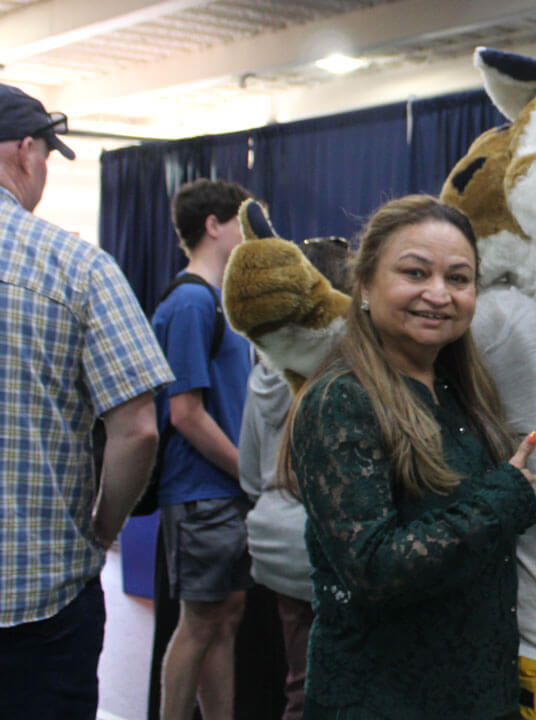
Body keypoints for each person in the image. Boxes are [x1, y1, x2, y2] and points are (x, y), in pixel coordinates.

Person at [281, 194, 536, 719]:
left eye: (459, 279)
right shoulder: (342, 398)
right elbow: (375, 568)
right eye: (415, 272)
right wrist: (504, 501)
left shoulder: (460, 390)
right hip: (383, 701)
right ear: (364, 285)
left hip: (478, 698)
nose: (438, 294)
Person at [0, 83, 174, 719]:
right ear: (25, 150)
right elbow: (139, 430)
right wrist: (103, 526)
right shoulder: (77, 267)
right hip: (40, 596)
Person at [152, 178, 256, 720]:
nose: (249, 233)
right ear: (214, 226)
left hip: (225, 490)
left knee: (226, 615)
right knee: (198, 622)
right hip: (202, 492)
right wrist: (249, 473)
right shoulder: (193, 302)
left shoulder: (216, 302)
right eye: (241, 220)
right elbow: (184, 413)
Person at [238, 235, 351, 720]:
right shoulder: (346, 366)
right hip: (323, 543)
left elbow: (248, 471)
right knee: (324, 691)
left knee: (300, 680)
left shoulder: (264, 370)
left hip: (274, 540)